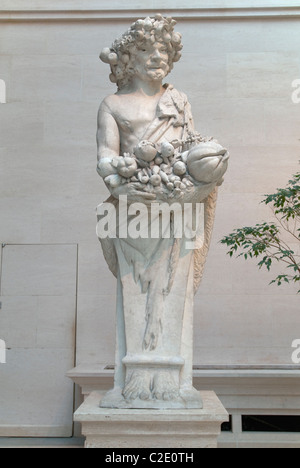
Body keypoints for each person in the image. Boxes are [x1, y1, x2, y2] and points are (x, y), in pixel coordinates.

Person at [96, 15, 229, 408]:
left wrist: (208, 168)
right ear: (129, 60)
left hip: (178, 208)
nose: (157, 57)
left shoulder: (178, 101)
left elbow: (189, 152)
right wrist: (120, 180)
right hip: (132, 208)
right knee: (135, 289)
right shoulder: (113, 104)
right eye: (147, 51)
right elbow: (105, 157)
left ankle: (174, 381)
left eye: (164, 51)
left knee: (175, 291)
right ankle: (134, 381)